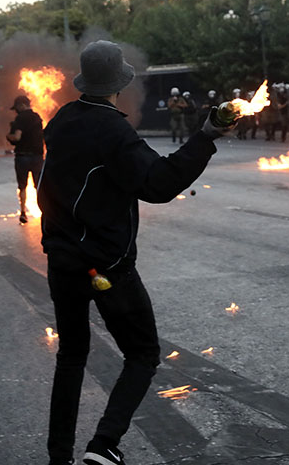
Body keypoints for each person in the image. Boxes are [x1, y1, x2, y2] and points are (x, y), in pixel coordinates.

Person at [38, 40, 234, 465]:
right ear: (119, 84)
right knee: (143, 354)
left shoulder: (61, 121)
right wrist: (206, 136)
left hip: (62, 260)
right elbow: (159, 184)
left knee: (72, 355)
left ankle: (59, 457)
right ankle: (104, 445)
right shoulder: (114, 131)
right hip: (106, 266)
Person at [5, 95, 44, 224]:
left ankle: (23, 213)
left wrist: (8, 136)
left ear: (22, 105)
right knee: (39, 186)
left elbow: (17, 137)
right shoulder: (37, 117)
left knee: (22, 186)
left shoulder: (20, 119)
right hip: (37, 157)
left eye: (16, 107)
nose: (16, 110)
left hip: (23, 156)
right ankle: (45, 212)